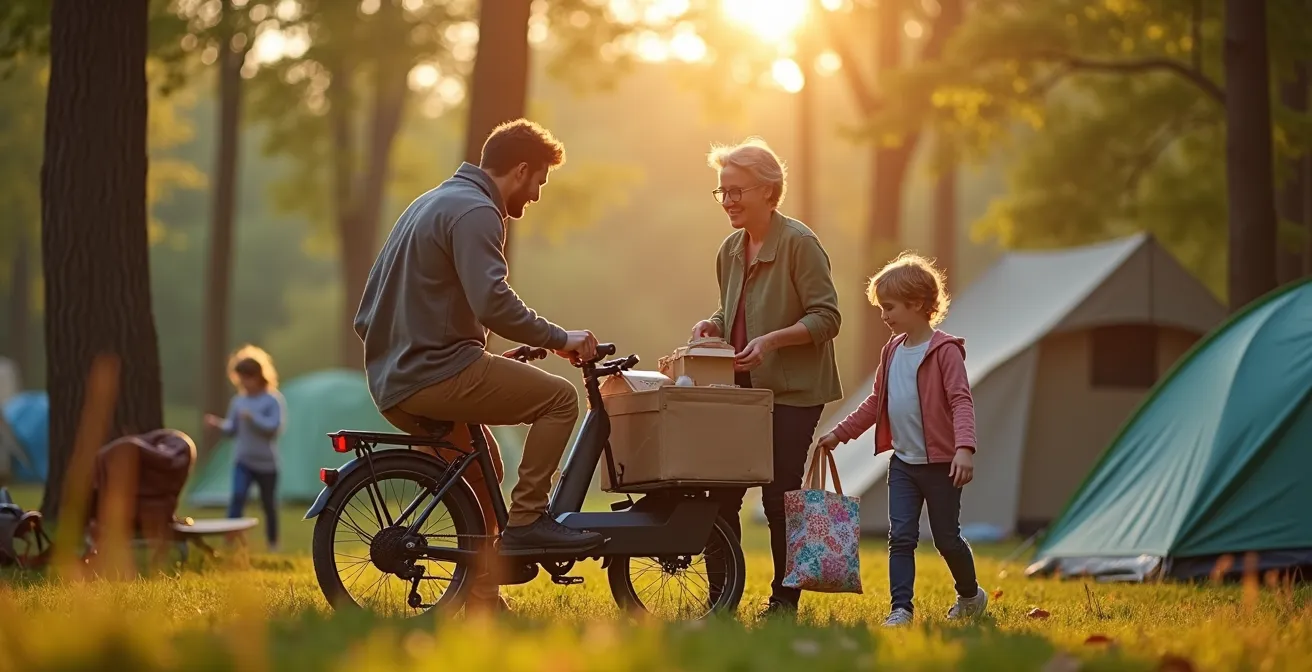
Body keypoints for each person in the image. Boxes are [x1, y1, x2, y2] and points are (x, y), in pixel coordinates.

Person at [353, 118, 604, 613]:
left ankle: (481, 598)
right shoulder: (477, 212)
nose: (534, 197)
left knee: (482, 465)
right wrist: (561, 338)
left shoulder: (428, 203)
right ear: (522, 169)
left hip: (397, 377)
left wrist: (463, 353)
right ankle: (530, 519)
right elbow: (492, 302)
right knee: (559, 399)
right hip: (433, 374)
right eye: (538, 184)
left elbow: (366, 316)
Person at [690, 136, 843, 619]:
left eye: (736, 191)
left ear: (767, 189)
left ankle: (784, 601)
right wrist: (713, 323)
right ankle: (723, 597)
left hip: (793, 393)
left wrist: (772, 341)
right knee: (720, 493)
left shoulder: (800, 244)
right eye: (722, 192)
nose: (728, 202)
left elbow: (828, 317)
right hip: (739, 393)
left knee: (778, 496)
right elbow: (732, 307)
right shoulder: (729, 249)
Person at [814, 252, 988, 627]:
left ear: (918, 304)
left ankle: (971, 595)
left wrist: (964, 449)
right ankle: (901, 610)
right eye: (881, 308)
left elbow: (961, 401)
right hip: (905, 465)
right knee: (902, 538)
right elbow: (876, 402)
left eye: (890, 307)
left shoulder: (945, 352)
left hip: (942, 466)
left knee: (946, 539)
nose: (884, 316)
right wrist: (839, 434)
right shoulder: (892, 351)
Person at [204, 345, 286, 552]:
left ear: (258, 376)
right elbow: (232, 429)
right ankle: (230, 542)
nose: (244, 383)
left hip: (266, 463)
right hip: (244, 460)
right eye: (240, 379)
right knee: (238, 497)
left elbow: (274, 428)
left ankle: (273, 543)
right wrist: (218, 425)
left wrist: (254, 418)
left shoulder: (272, 400)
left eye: (247, 378)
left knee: (269, 505)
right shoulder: (238, 401)